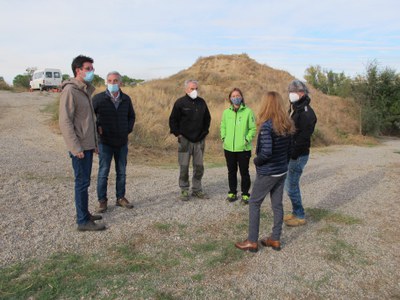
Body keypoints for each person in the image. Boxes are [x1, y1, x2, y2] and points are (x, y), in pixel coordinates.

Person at [235, 91, 295, 252]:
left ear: (266, 105)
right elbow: (289, 151)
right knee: (277, 205)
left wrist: (256, 161)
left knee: (254, 203)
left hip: (268, 172)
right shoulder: (286, 124)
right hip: (281, 171)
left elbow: (266, 152)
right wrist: (283, 164)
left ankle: (252, 241)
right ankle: (275, 239)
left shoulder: (267, 126)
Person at [59, 55, 105, 231]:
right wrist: (75, 147)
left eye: (92, 68)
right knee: (81, 183)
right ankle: (82, 221)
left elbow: (87, 120)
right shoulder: (70, 91)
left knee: (85, 182)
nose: (92, 71)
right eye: (88, 68)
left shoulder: (84, 90)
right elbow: (65, 121)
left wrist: (93, 143)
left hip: (86, 145)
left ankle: (85, 214)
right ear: (78, 70)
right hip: (78, 148)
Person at [92, 71, 136, 213]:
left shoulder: (126, 99)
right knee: (103, 172)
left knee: (121, 172)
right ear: (106, 82)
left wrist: (126, 130)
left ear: (120, 83)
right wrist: (97, 129)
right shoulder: (98, 99)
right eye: (110, 80)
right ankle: (102, 201)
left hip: (122, 142)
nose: (112, 83)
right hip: (105, 142)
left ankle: (120, 198)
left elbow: (131, 117)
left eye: (115, 81)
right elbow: (90, 118)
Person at [169, 80, 211, 201]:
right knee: (184, 166)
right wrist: (178, 134)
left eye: (196, 88)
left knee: (199, 167)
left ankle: (197, 190)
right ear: (186, 89)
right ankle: (184, 189)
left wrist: (204, 133)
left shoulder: (202, 102)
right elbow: (173, 120)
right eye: (192, 89)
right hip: (185, 140)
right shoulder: (180, 103)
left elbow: (207, 119)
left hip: (199, 140)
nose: (194, 91)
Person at [284, 80, 317, 227]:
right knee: (290, 185)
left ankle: (300, 215)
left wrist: (292, 154)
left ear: (301, 93)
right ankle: (296, 211)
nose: (290, 95)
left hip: (297, 155)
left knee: (291, 186)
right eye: (289, 92)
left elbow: (303, 139)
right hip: (292, 153)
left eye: (293, 92)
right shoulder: (295, 108)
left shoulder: (307, 113)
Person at [220, 88, 256, 204]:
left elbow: (253, 128)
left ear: (241, 97)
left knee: (244, 172)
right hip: (229, 148)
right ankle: (232, 192)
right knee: (231, 171)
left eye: (238, 95)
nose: (236, 97)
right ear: (230, 98)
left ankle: (245, 194)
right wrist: (223, 137)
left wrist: (247, 139)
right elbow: (223, 126)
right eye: (233, 96)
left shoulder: (248, 112)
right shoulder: (226, 112)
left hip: (243, 148)